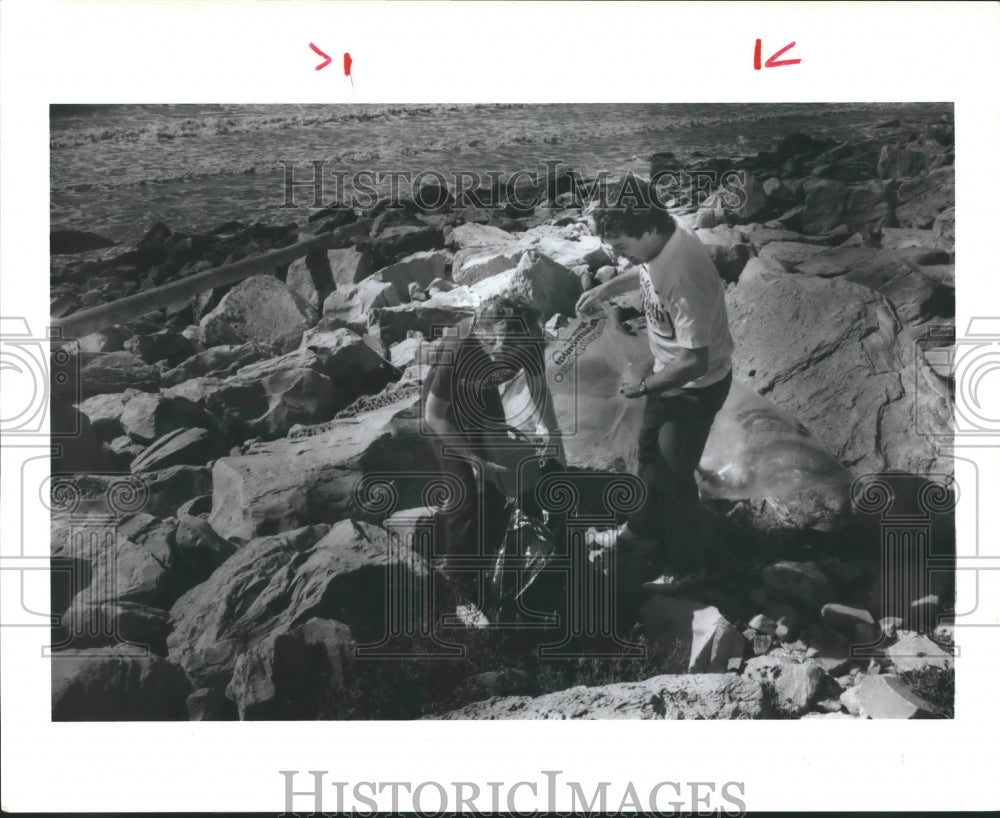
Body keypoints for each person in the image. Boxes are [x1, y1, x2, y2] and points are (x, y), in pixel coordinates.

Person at [575, 176, 734, 588]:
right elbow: (646, 273)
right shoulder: (663, 237)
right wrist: (607, 288)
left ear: (647, 229)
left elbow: (695, 361)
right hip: (668, 375)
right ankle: (640, 530)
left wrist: (644, 387)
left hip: (694, 388)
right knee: (649, 457)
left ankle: (689, 567)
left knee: (673, 482)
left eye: (621, 246)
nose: (617, 255)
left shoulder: (685, 275)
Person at [422, 294, 564, 612]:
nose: (505, 354)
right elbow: (433, 415)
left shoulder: (528, 338)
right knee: (466, 497)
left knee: (497, 489)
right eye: (497, 346)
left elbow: (538, 387)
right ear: (484, 335)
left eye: (514, 349)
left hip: (484, 396)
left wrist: (552, 436)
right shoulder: (460, 347)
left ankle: (492, 568)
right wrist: (475, 460)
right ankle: (458, 588)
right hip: (448, 410)